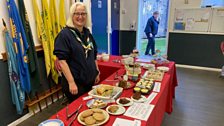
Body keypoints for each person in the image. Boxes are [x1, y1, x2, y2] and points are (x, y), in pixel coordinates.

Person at [54, 2, 100, 103]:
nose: (80, 17)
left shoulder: (87, 33)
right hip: (76, 84)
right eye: (77, 13)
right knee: (80, 111)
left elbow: (94, 55)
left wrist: (96, 72)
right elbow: (62, 61)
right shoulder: (64, 35)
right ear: (72, 15)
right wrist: (71, 82)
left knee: (90, 107)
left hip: (89, 81)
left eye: (83, 14)